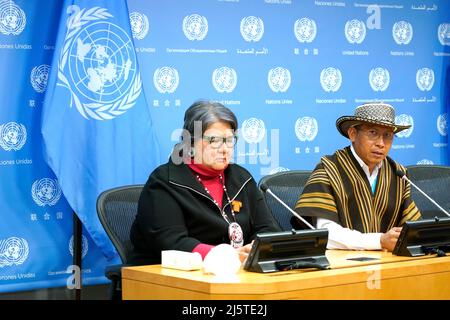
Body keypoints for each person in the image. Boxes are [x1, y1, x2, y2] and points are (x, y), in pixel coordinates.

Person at [130, 100, 280, 265]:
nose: (224, 149)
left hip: (236, 275)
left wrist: (254, 249)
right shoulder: (164, 182)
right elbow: (171, 243)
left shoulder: (242, 178)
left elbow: (268, 229)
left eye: (229, 140)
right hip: (175, 279)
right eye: (214, 140)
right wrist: (226, 256)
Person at [294, 102, 421, 252]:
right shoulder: (329, 169)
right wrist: (379, 241)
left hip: (389, 263)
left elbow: (412, 230)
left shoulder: (398, 174)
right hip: (342, 266)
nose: (381, 143)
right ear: (352, 134)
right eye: (373, 133)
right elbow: (326, 233)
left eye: (387, 136)